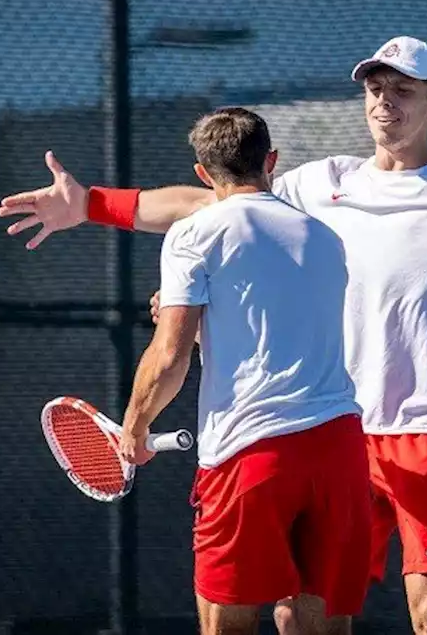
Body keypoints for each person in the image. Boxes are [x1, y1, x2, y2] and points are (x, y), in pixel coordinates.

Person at [0, 37, 427, 635]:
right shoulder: (320, 184)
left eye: (402, 89)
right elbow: (209, 204)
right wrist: (89, 203)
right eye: (374, 87)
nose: (382, 101)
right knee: (296, 616)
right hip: (332, 429)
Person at [102, 107, 372, 635]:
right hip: (338, 450)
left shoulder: (192, 234)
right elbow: (277, 327)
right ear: (270, 161)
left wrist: (133, 429)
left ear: (203, 175)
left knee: (226, 625)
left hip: (252, 455)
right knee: (321, 626)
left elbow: (168, 359)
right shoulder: (326, 238)